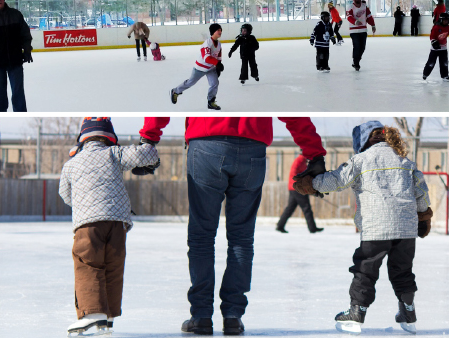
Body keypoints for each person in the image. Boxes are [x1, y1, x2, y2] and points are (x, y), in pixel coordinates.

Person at [140, 117, 326, 336]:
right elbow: (292, 110)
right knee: (242, 238)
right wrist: (314, 152)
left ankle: (201, 316)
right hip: (252, 149)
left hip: (206, 142)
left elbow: (176, 89)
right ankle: (233, 317)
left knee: (201, 236)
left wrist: (149, 138)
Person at [293, 121, 431, 335]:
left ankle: (357, 312)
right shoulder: (405, 161)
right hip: (406, 229)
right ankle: (408, 312)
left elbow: (337, 180)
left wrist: (313, 184)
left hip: (376, 228)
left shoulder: (361, 160)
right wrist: (423, 216)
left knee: (365, 271)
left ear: (362, 140)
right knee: (403, 271)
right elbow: (421, 189)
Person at [59, 117, 161, 337]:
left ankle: (92, 314)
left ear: (82, 139)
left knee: (88, 263)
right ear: (109, 138)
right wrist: (147, 144)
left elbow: (65, 194)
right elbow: (149, 153)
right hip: (117, 222)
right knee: (113, 266)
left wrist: (83, 203)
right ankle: (108, 316)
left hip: (87, 224)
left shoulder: (71, 164)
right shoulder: (114, 153)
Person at [170, 24, 224, 111]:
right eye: (218, 30)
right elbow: (206, 58)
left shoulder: (219, 44)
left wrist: (218, 65)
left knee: (214, 83)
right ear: (213, 32)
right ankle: (175, 91)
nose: (220, 32)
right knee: (190, 82)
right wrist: (217, 63)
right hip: (199, 68)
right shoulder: (207, 43)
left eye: (221, 30)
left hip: (211, 68)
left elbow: (218, 55)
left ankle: (211, 101)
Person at [276, 153, 324, 233]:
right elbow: (294, 173)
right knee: (306, 208)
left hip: (294, 188)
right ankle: (312, 228)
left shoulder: (303, 161)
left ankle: (280, 225)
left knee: (290, 208)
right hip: (297, 188)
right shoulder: (299, 160)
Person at [346, 0, 376, 71]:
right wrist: (355, 22)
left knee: (362, 48)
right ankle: (356, 63)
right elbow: (349, 17)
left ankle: (356, 61)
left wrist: (373, 25)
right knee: (357, 46)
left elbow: (369, 16)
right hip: (354, 31)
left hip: (363, 30)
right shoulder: (350, 7)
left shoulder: (364, 6)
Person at [423, 13, 449, 82]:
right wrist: (434, 42)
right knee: (431, 63)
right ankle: (425, 74)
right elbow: (432, 36)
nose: (446, 22)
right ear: (441, 20)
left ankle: (445, 75)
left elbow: (446, 35)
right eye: (444, 20)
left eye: (447, 20)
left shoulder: (448, 27)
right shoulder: (436, 27)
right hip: (435, 49)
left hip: (443, 49)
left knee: (444, 62)